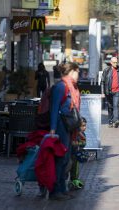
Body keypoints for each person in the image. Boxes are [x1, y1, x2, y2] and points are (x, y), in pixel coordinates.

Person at [49, 62, 80, 200]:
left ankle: (62, 188)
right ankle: (56, 190)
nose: (79, 75)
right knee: (61, 159)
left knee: (66, 159)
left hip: (69, 128)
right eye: (78, 72)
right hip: (61, 128)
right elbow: (54, 108)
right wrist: (52, 129)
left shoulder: (71, 86)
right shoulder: (61, 86)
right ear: (72, 71)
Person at [101, 57, 119, 128]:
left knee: (116, 105)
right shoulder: (106, 70)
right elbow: (102, 81)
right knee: (110, 107)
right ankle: (110, 121)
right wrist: (103, 92)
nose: (116, 64)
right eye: (114, 62)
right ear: (111, 63)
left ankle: (116, 121)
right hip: (108, 92)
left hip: (117, 91)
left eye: (116, 62)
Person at [70, 117, 87, 190]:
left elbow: (84, 143)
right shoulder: (75, 133)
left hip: (76, 154)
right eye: (82, 126)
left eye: (85, 126)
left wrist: (77, 143)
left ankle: (74, 180)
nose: (84, 128)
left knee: (75, 168)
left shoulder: (82, 134)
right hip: (71, 153)